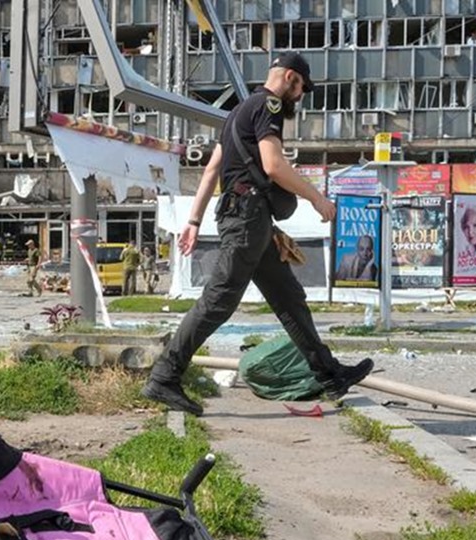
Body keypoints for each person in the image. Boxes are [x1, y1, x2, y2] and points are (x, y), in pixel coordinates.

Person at [141, 52, 373, 415]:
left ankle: (329, 375)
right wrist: (317, 198)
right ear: (291, 78)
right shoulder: (270, 105)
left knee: (289, 298)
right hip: (247, 217)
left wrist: (194, 221)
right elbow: (273, 165)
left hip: (250, 218)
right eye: (301, 89)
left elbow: (212, 169)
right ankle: (164, 377)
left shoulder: (237, 112)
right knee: (219, 300)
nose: (300, 97)